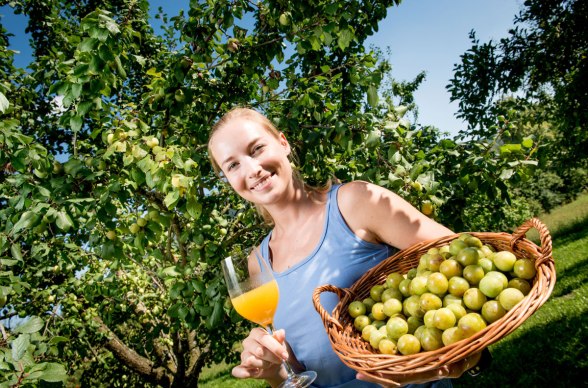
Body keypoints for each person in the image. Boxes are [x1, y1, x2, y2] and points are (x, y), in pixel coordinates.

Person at [207, 107, 483, 387]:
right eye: (233, 165)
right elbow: (302, 372)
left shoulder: (355, 203)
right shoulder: (258, 263)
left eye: (256, 149)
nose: (252, 169)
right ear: (228, 180)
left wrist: (470, 355)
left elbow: (468, 259)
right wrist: (273, 371)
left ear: (283, 143)